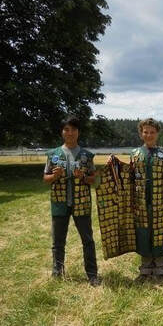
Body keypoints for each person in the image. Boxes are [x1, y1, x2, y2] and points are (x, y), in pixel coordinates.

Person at [43, 116, 100, 286]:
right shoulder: (53, 154)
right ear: (62, 132)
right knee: (58, 241)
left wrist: (83, 176)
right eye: (66, 129)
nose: (70, 133)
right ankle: (57, 272)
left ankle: (92, 275)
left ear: (78, 132)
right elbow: (46, 178)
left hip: (81, 203)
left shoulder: (86, 155)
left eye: (73, 129)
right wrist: (55, 175)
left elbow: (94, 180)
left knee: (88, 240)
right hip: (59, 203)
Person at [131, 118, 163, 282]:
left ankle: (160, 269)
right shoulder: (135, 154)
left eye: (152, 132)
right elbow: (130, 177)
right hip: (141, 201)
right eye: (145, 132)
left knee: (160, 232)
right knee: (143, 233)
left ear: (157, 134)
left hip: (159, 200)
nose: (149, 135)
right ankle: (145, 269)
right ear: (141, 133)